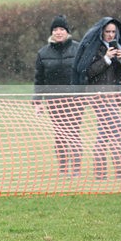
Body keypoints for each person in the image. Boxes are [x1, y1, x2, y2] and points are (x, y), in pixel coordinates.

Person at [72, 16, 121, 180]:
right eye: (107, 32)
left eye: (113, 32)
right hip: (98, 96)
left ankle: (102, 173)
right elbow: (87, 71)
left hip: (113, 95)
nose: (111, 35)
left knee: (106, 133)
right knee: (114, 131)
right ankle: (119, 172)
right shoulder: (95, 49)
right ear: (101, 32)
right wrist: (106, 59)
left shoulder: (119, 46)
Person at [33, 15, 83, 177]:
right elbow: (39, 79)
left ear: (67, 32)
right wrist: (37, 101)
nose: (58, 32)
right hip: (54, 101)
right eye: (55, 30)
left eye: (62, 29)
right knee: (60, 135)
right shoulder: (43, 53)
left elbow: (85, 73)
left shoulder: (78, 49)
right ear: (51, 33)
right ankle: (63, 168)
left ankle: (75, 168)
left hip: (75, 100)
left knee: (74, 132)